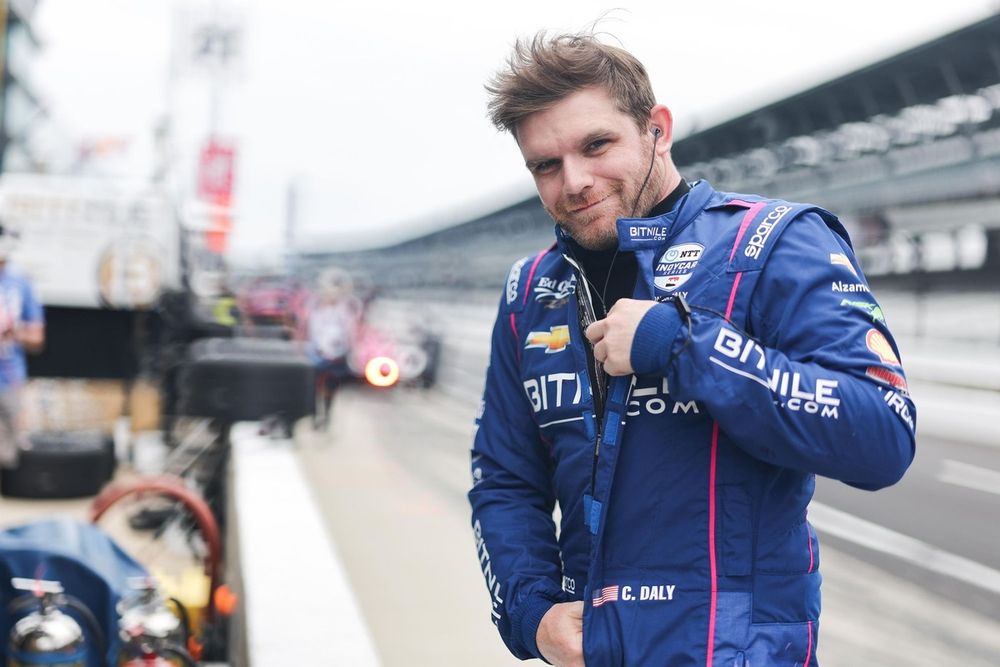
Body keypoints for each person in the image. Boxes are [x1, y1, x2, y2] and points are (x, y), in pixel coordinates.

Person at [468, 32, 915, 667]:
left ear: (658, 130)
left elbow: (882, 436)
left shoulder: (775, 243)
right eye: (545, 164)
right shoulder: (530, 290)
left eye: (597, 145)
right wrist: (532, 611)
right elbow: (503, 478)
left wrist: (682, 344)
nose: (575, 181)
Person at [0, 223, 44, 469]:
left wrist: (12, 331)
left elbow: (37, 338)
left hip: (9, 378)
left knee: (8, 452)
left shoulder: (19, 283)